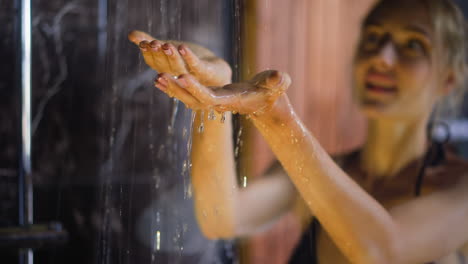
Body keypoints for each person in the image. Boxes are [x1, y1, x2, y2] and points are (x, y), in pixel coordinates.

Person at [128, 0, 468, 263]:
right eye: (375, 37)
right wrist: (209, 92)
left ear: (449, 78)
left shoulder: (460, 190)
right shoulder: (319, 176)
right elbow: (221, 218)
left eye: (413, 45)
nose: (382, 58)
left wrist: (276, 117)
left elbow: (382, 251)